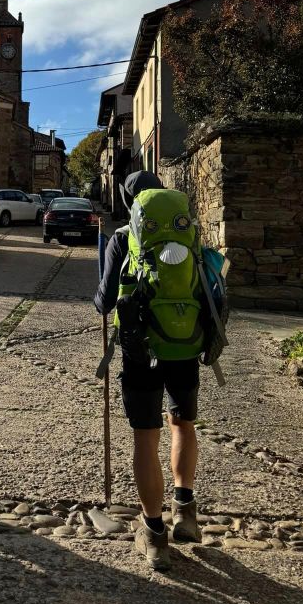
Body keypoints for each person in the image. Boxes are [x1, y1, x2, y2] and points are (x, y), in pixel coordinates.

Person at [94, 170, 201, 570]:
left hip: (141, 349)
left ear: (128, 202)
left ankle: (154, 534)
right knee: (182, 424)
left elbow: (106, 301)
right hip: (184, 342)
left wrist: (100, 289)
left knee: (145, 436)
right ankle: (185, 512)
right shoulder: (187, 233)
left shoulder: (124, 238)